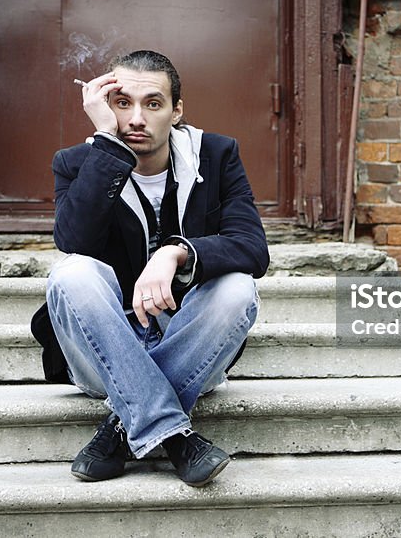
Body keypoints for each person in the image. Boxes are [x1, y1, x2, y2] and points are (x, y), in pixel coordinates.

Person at [31, 50, 269, 487]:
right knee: (71, 275)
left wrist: (175, 253)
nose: (136, 118)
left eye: (153, 104)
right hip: (101, 352)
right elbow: (74, 242)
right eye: (123, 103)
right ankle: (176, 436)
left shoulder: (216, 156)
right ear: (105, 108)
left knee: (237, 286)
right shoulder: (78, 162)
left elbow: (252, 248)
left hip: (188, 340)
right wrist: (107, 143)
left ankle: (125, 425)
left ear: (177, 111)